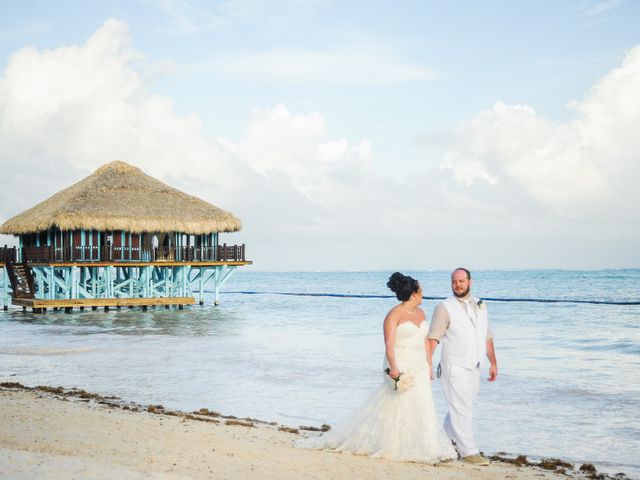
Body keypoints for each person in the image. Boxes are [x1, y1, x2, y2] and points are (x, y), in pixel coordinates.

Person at [297, 272, 456, 464]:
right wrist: (394, 369)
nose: (423, 293)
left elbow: (424, 342)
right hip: (400, 361)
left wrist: (429, 364)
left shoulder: (421, 314)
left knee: (422, 403)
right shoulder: (394, 314)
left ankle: (424, 444)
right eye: (421, 290)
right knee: (398, 404)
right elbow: (389, 345)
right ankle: (395, 444)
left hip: (419, 364)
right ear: (413, 294)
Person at [427, 268, 498, 466]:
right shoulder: (444, 307)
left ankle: (444, 442)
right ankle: (469, 451)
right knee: (462, 408)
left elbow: (487, 335)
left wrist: (493, 362)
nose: (457, 285)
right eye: (454, 282)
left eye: (461, 281)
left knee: (460, 407)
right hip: (454, 366)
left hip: (475, 365)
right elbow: (433, 338)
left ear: (470, 282)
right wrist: (428, 363)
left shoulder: (481, 305)